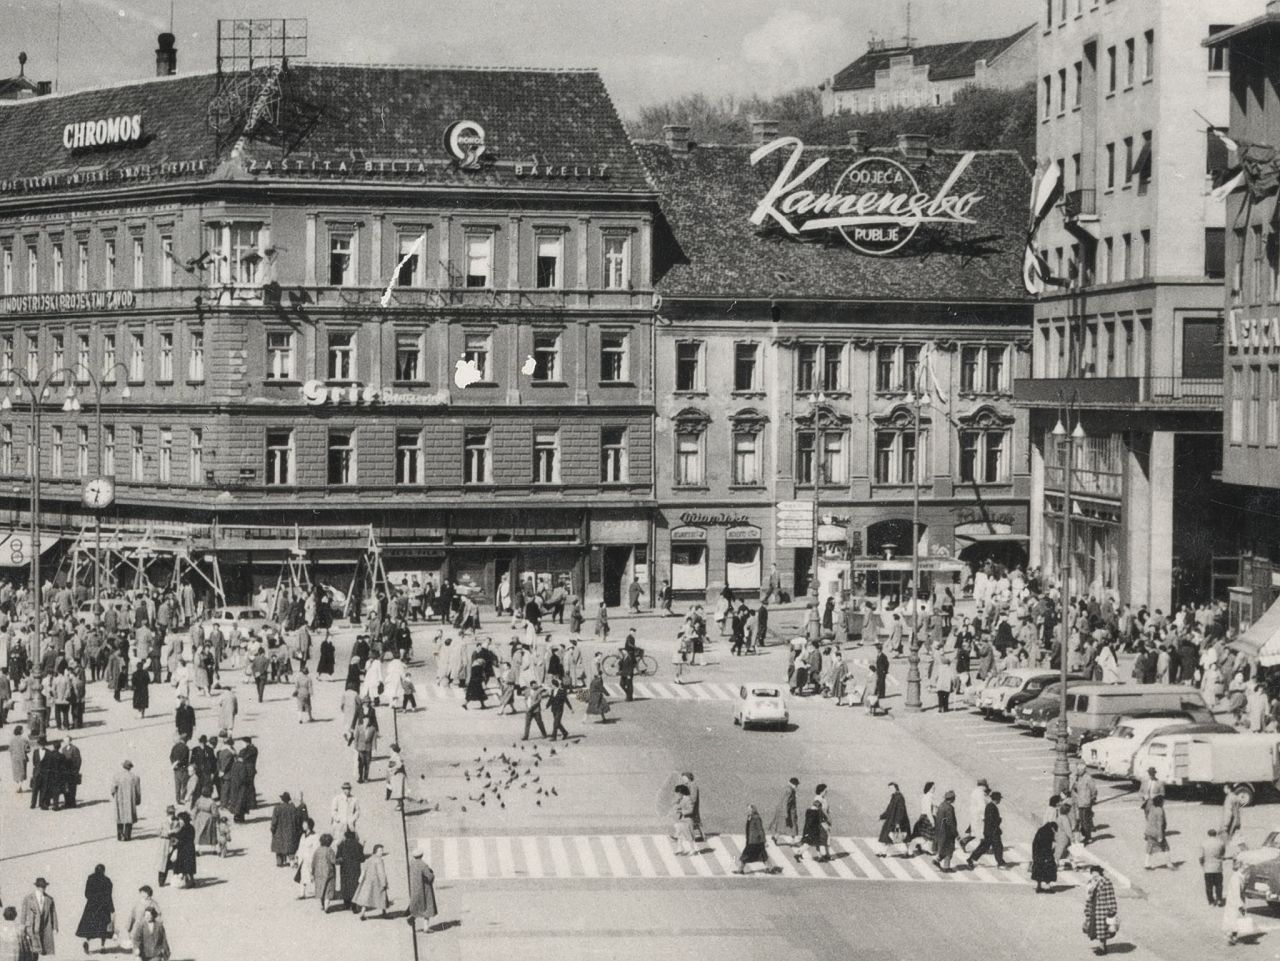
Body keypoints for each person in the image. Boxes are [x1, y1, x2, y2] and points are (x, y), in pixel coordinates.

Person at [75, 864, 115, 953]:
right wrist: (111, 908)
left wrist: (93, 899)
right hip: (104, 907)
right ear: (104, 871)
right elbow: (109, 896)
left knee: (90, 926)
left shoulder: (91, 879)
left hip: (91, 907)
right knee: (103, 927)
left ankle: (87, 941)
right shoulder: (107, 881)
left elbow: (86, 894)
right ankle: (102, 946)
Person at [1082, 865, 1119, 955]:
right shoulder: (1091, 882)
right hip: (1093, 908)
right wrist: (1087, 910)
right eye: (1093, 873)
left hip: (1102, 909)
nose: (1094, 875)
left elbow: (1110, 896)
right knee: (1096, 929)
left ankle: (1103, 948)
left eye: (1096, 873)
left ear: (1100, 873)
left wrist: (1112, 909)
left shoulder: (1106, 882)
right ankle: (1101, 947)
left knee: (1103, 930)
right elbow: (1088, 897)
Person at [966, 791, 1007, 869]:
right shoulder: (992, 807)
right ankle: (1000, 863)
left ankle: (971, 859)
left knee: (984, 847)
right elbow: (991, 820)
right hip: (992, 832)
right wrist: (999, 820)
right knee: (998, 847)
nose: (1000, 801)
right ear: (997, 799)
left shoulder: (990, 806)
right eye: (999, 799)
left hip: (989, 831)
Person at [733, 804, 778, 875]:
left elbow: (760, 830)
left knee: (746, 855)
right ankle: (771, 868)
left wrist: (765, 841)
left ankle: (740, 870)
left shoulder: (756, 818)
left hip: (755, 841)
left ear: (753, 810)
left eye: (749, 810)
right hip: (752, 840)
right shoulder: (750, 817)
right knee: (763, 855)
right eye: (747, 809)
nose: (747, 811)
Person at [20, 878, 57, 958]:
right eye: (40, 886)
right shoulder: (28, 898)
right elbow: (23, 912)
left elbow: (53, 913)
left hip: (44, 928)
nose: (42, 888)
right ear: (37, 887)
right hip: (31, 927)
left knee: (41, 949)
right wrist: (22, 925)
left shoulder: (49, 899)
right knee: (31, 948)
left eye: (44, 886)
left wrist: (55, 928)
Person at [408, 845, 439, 934]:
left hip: (415, 887)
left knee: (418, 905)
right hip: (425, 888)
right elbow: (429, 877)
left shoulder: (412, 864)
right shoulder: (423, 865)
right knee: (428, 907)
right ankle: (426, 927)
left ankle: (412, 917)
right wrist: (432, 874)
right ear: (422, 855)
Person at [353, 844, 390, 920]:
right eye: (380, 850)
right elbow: (381, 872)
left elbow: (364, 869)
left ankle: (363, 912)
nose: (381, 852)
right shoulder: (379, 860)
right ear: (376, 851)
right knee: (382, 896)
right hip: (378, 881)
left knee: (367, 897)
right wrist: (384, 883)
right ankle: (384, 913)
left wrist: (361, 878)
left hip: (368, 880)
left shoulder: (369, 859)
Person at [270, 792, 304, 867]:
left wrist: (272, 830)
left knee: (279, 847)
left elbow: (274, 822)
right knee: (290, 847)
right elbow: (297, 820)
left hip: (279, 832)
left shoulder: (277, 808)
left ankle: (279, 862)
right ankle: (292, 860)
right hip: (290, 832)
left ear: (282, 800)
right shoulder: (293, 808)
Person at [877, 782, 911, 857]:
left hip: (898, 821)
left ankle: (907, 852)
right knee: (889, 837)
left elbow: (901, 811)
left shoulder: (899, 797)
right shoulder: (894, 797)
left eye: (891, 788)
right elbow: (889, 809)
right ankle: (883, 852)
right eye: (889, 789)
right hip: (893, 820)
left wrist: (897, 823)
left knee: (902, 837)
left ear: (896, 788)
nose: (890, 790)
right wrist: (882, 816)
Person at [111, 759, 142, 841]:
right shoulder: (135, 777)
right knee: (129, 817)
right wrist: (138, 800)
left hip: (120, 799)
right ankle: (127, 836)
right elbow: (138, 791)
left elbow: (113, 789)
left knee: (120, 817)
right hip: (130, 800)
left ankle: (120, 835)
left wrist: (114, 795)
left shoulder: (117, 776)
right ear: (130, 768)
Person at [1224, 862, 1253, 946]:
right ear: (1243, 869)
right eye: (1247, 871)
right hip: (1235, 902)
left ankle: (1232, 936)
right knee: (1234, 920)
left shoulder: (1238, 877)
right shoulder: (1236, 879)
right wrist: (1240, 906)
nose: (1248, 874)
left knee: (1234, 920)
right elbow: (1237, 893)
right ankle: (1231, 937)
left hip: (1234, 901)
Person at [336, 830, 365, 911]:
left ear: (345, 836)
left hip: (345, 869)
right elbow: (362, 859)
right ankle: (354, 906)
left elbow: (337, 857)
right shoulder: (358, 845)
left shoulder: (341, 845)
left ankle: (346, 904)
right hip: (355, 869)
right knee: (354, 886)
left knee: (345, 885)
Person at [168, 811, 197, 887]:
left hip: (186, 850)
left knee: (185, 866)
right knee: (188, 866)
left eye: (180, 819)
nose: (179, 821)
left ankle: (188, 882)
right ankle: (190, 881)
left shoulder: (185, 829)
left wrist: (172, 835)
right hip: (188, 849)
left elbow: (182, 838)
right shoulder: (189, 827)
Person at [1071, 762, 1097, 845]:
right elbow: (1075, 787)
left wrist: (1092, 798)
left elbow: (1093, 789)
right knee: (1082, 819)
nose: (1078, 771)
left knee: (1085, 820)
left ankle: (1088, 837)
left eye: (1079, 769)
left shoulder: (1088, 778)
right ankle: (1086, 835)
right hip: (1079, 801)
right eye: (1077, 769)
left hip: (1085, 802)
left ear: (1083, 770)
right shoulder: (1078, 777)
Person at [769, 777, 800, 846]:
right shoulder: (790, 790)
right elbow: (785, 802)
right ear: (793, 784)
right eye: (796, 785)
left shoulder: (788, 789)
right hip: (788, 811)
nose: (797, 786)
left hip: (785, 811)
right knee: (793, 825)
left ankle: (775, 837)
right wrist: (786, 813)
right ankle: (793, 841)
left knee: (783, 826)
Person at [934, 789, 960, 872]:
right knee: (949, 849)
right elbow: (950, 822)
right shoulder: (949, 808)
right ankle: (946, 867)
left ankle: (937, 860)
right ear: (952, 799)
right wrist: (956, 833)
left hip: (940, 831)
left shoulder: (941, 806)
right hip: (947, 832)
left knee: (943, 848)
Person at [1201, 828, 1226, 907]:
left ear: (1208, 834)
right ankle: (1219, 899)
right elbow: (1222, 853)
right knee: (1219, 885)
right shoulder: (1221, 842)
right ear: (1216, 834)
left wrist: (1203, 864)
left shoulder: (1204, 843)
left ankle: (1211, 901)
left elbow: (1201, 856)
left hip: (1208, 868)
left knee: (1209, 886)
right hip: (1218, 867)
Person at [312, 834, 338, 912]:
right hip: (329, 872)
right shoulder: (330, 850)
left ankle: (321, 904)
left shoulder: (317, 850)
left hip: (318, 872)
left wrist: (312, 871)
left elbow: (313, 862)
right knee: (328, 888)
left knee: (320, 888)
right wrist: (340, 859)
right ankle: (327, 905)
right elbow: (333, 861)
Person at [1031, 821, 1058, 893]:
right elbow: (1046, 846)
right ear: (1052, 828)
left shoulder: (1042, 830)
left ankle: (1038, 886)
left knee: (1038, 869)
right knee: (1049, 869)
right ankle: (1048, 887)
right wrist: (1048, 856)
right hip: (1044, 854)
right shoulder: (1048, 832)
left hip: (1037, 854)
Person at [1144, 795, 1170, 870]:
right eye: (1163, 801)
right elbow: (1159, 824)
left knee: (1149, 847)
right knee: (1166, 847)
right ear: (1161, 802)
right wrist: (1160, 836)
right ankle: (1168, 863)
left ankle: (1147, 864)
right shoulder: (1160, 811)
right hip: (1156, 833)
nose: (1164, 802)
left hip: (1149, 831)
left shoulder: (1152, 808)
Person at [672, 784, 697, 856]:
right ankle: (680, 848)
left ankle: (693, 849)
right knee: (680, 834)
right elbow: (676, 806)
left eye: (677, 793)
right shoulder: (681, 799)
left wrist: (681, 811)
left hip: (687, 821)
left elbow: (690, 810)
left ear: (681, 793)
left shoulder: (688, 799)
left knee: (689, 836)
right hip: (682, 820)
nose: (677, 795)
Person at [8, 724, 29, 794]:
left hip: (14, 757)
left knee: (16, 772)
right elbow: (27, 749)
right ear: (20, 731)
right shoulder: (24, 739)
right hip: (22, 757)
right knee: (22, 772)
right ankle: (20, 786)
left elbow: (10, 749)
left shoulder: (12, 740)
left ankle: (18, 786)